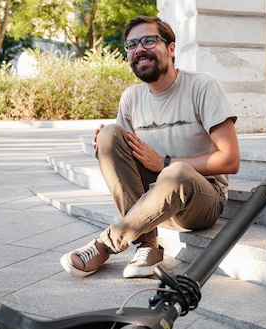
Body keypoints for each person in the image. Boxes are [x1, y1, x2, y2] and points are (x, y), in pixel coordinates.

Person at [60, 15, 240, 279]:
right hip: (152, 201)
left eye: (148, 40)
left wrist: (164, 164)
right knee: (110, 135)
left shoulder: (202, 86)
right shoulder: (131, 97)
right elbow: (126, 163)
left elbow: (230, 160)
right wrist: (108, 144)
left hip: (200, 199)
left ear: (171, 48)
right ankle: (148, 245)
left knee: (176, 172)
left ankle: (106, 244)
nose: (139, 49)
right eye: (131, 45)